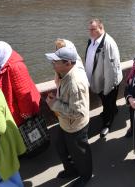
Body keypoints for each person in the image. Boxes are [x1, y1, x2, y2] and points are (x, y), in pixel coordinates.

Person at [45, 47, 92, 186]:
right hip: (66, 123)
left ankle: (85, 176)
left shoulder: (74, 83)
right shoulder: (65, 73)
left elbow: (78, 112)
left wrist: (54, 104)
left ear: (68, 63)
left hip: (75, 126)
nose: (52, 63)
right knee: (61, 147)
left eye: (56, 61)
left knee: (80, 153)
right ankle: (71, 170)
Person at [85, 19, 123, 138]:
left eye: (93, 29)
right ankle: (112, 110)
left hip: (107, 82)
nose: (90, 31)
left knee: (107, 102)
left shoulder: (108, 44)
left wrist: (108, 89)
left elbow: (111, 69)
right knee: (107, 102)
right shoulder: (92, 41)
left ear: (101, 28)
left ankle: (107, 123)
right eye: (89, 29)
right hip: (98, 80)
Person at [0, 41, 40, 127]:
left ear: (0, 53)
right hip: (11, 111)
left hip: (19, 114)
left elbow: (24, 93)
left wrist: (26, 113)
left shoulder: (16, 67)